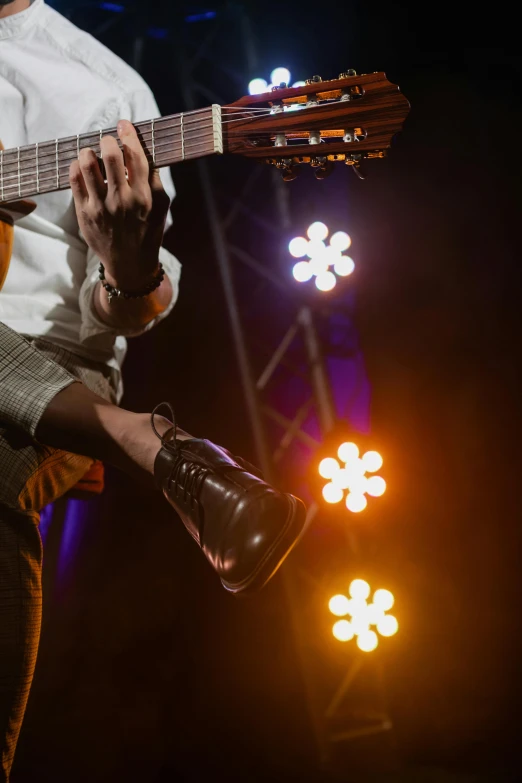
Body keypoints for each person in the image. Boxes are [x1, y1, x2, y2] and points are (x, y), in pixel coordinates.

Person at [0, 1, 306, 779]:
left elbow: (131, 310)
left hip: (53, 367)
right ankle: (136, 434)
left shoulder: (102, 89)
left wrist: (127, 266)